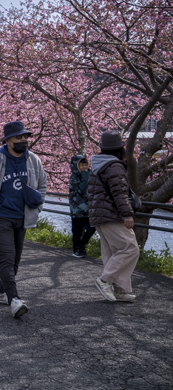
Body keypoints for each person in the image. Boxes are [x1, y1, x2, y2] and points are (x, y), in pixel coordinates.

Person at [0, 120, 47, 318]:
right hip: (1, 217)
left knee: (15, 260)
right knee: (7, 257)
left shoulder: (33, 160)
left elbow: (42, 184)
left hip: (22, 217)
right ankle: (14, 299)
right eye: (19, 137)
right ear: (7, 140)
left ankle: (1, 293)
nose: (24, 140)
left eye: (25, 136)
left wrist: (38, 207)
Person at [88, 130, 138, 303]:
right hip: (112, 215)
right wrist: (127, 214)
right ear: (119, 149)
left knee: (112, 252)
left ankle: (120, 290)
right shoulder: (114, 166)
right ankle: (105, 280)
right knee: (130, 248)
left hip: (99, 215)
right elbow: (119, 193)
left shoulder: (97, 165)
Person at [69, 155, 97, 258]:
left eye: (86, 165)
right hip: (77, 209)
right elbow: (81, 189)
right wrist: (85, 175)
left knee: (92, 228)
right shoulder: (74, 178)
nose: (84, 167)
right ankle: (76, 249)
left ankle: (82, 245)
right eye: (82, 165)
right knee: (77, 231)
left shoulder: (89, 175)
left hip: (89, 209)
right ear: (76, 166)